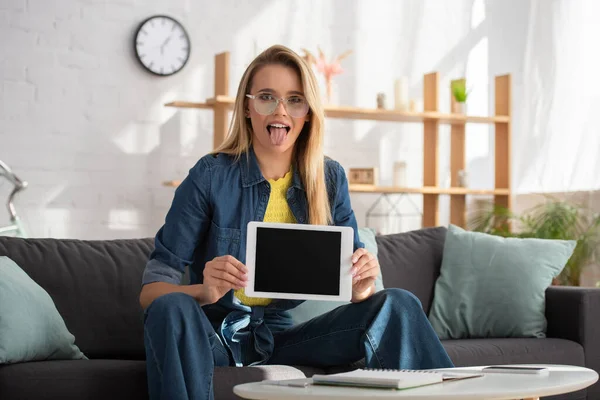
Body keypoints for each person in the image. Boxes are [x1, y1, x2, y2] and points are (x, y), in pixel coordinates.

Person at [139, 44, 453, 400]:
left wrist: (362, 284)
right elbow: (151, 292)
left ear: (308, 112)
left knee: (398, 303)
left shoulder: (328, 178)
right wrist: (202, 292)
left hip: (281, 339)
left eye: (295, 100)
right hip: (212, 337)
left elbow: (353, 285)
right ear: (247, 106)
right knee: (171, 305)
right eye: (267, 97)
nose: (280, 111)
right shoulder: (210, 175)